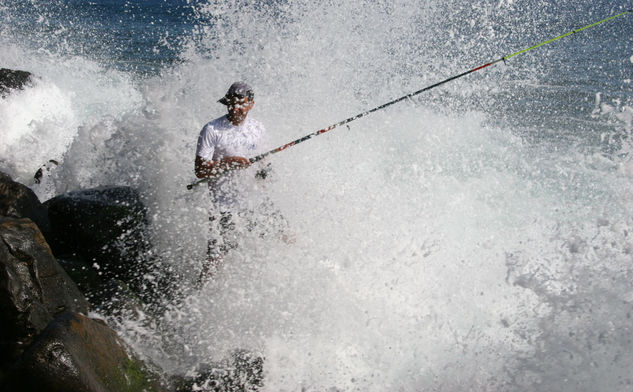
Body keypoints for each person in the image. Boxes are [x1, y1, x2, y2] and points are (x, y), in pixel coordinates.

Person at [194, 81, 270, 284]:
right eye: (231, 103)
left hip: (256, 201)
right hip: (223, 207)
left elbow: (263, 164)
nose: (235, 108)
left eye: (241, 103)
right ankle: (198, 296)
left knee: (286, 236)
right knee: (215, 260)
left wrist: (265, 179)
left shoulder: (258, 128)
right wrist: (226, 163)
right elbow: (200, 170)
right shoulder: (212, 130)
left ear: (251, 104)